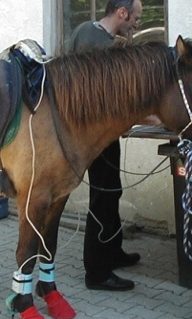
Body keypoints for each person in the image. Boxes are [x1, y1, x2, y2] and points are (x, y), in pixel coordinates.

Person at [67, 0, 143, 291]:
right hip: (95, 137)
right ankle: (97, 273)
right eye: (135, 18)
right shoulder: (106, 49)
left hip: (94, 135)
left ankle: (113, 252)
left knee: (112, 191)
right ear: (122, 13)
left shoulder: (85, 30)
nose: (136, 23)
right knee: (103, 196)